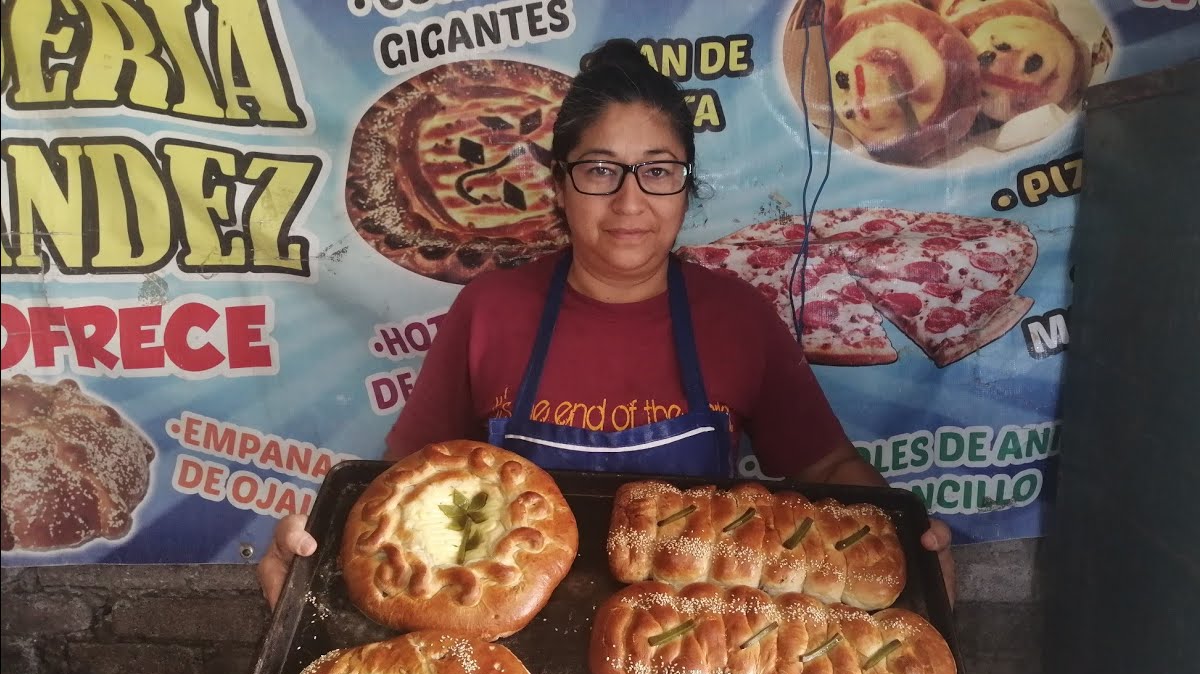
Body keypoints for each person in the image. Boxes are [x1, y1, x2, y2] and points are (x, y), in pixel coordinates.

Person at [257, 38, 955, 609]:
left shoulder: (736, 317)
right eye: (599, 170)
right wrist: (315, 566)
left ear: (687, 185)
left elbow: (827, 467)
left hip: (692, 645)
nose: (629, 201)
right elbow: (401, 487)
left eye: (658, 171)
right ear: (559, 185)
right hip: (503, 639)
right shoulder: (490, 311)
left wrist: (904, 541)